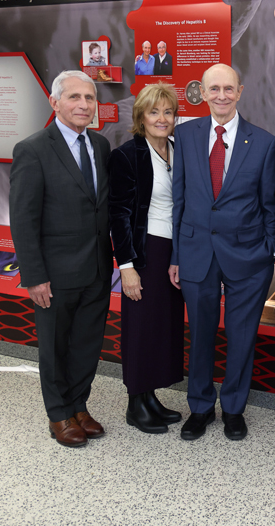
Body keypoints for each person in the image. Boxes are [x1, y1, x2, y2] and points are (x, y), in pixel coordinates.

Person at [168, 64, 275, 442]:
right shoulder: (184, 135)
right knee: (199, 334)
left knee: (241, 334)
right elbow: (178, 199)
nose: (221, 96)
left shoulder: (263, 142)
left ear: (240, 91)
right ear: (202, 91)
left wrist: (270, 251)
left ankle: (233, 408)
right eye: (214, 88)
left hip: (248, 257)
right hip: (197, 251)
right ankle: (199, 407)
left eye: (228, 88)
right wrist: (176, 256)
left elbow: (270, 205)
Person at [9, 70, 113, 447]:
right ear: (55, 103)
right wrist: (34, 276)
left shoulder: (100, 145)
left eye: (89, 98)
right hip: (54, 273)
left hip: (98, 269)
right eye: (74, 97)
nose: (83, 105)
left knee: (87, 344)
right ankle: (59, 414)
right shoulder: (33, 149)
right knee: (55, 346)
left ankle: (79, 406)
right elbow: (23, 218)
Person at [109, 82, 184, 434]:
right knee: (140, 327)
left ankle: (150, 397)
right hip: (144, 250)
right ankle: (134, 404)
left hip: (173, 251)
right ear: (141, 116)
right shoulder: (126, 155)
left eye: (168, 111)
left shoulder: (178, 149)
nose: (162, 118)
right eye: (154, 111)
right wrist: (127, 268)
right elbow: (119, 214)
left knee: (162, 325)